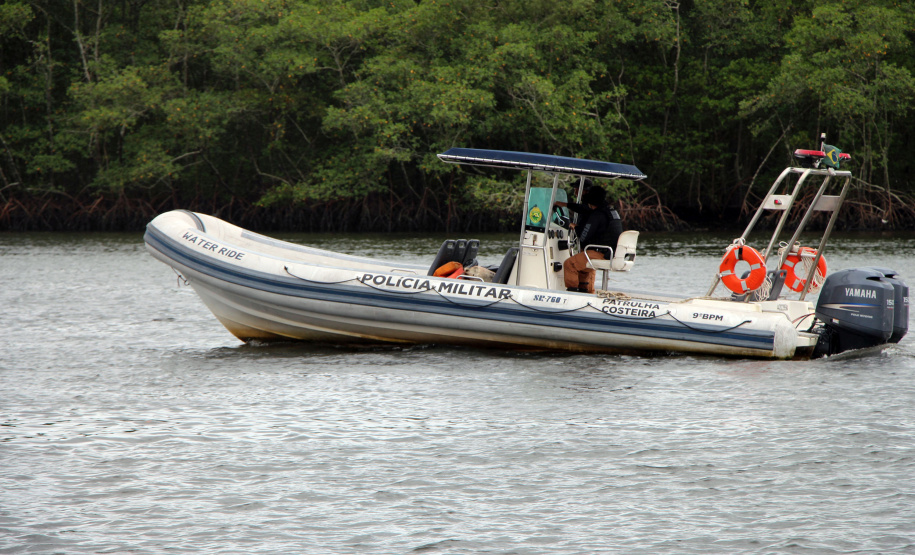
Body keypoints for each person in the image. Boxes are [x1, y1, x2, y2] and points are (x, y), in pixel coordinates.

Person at [556, 185, 623, 293]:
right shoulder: (612, 212)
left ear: (591, 202)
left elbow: (583, 237)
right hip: (614, 253)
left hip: (602, 253)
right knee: (582, 264)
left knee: (570, 264)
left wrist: (575, 227)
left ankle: (572, 293)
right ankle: (584, 291)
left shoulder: (596, 215)